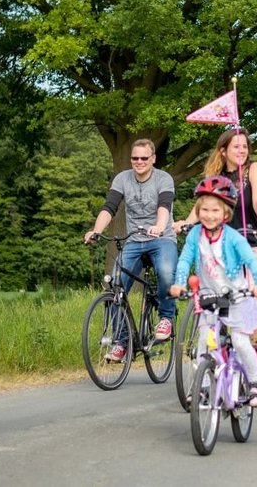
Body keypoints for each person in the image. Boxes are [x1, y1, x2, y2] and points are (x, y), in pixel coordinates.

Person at [170, 175, 257, 407]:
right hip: (209, 296)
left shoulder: (233, 237)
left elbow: (252, 262)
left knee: (240, 341)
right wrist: (179, 282)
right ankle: (203, 389)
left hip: (238, 296)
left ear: (225, 213)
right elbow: (185, 259)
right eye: (204, 209)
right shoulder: (195, 234)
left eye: (215, 210)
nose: (209, 215)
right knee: (205, 342)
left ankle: (256, 384)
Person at [83, 138, 178, 361]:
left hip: (161, 239)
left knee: (165, 272)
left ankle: (166, 318)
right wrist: (96, 230)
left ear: (153, 159)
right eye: (135, 158)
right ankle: (121, 342)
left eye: (144, 158)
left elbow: (164, 206)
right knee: (115, 286)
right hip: (134, 241)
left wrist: (160, 227)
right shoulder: (122, 179)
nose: (139, 162)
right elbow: (110, 207)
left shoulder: (163, 179)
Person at [176, 127, 257, 279]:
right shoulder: (217, 177)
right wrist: (185, 223)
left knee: (252, 291)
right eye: (236, 146)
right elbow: (202, 205)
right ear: (223, 151)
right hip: (228, 246)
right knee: (210, 292)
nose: (242, 150)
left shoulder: (254, 169)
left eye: (244, 147)